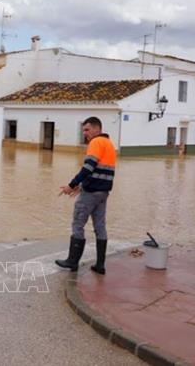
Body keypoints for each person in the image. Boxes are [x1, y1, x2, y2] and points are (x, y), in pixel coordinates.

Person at [55, 117, 116, 275]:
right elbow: (100, 171)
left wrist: (72, 185)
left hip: (91, 194)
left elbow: (88, 168)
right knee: (100, 227)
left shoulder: (95, 143)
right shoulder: (110, 144)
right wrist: (81, 186)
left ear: (97, 129)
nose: (85, 133)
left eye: (87, 129)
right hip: (103, 193)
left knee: (78, 224)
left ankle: (72, 262)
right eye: (83, 130)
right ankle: (100, 265)